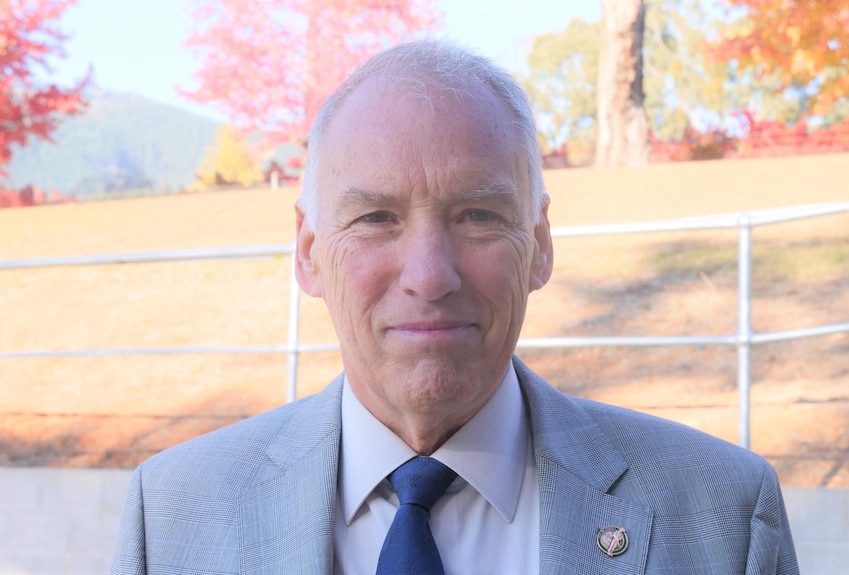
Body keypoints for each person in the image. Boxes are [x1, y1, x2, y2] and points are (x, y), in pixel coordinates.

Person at [112, 40, 798, 574]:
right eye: (377, 217)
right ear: (307, 252)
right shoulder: (172, 516)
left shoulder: (725, 515)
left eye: (476, 214)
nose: (429, 274)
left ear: (539, 246)